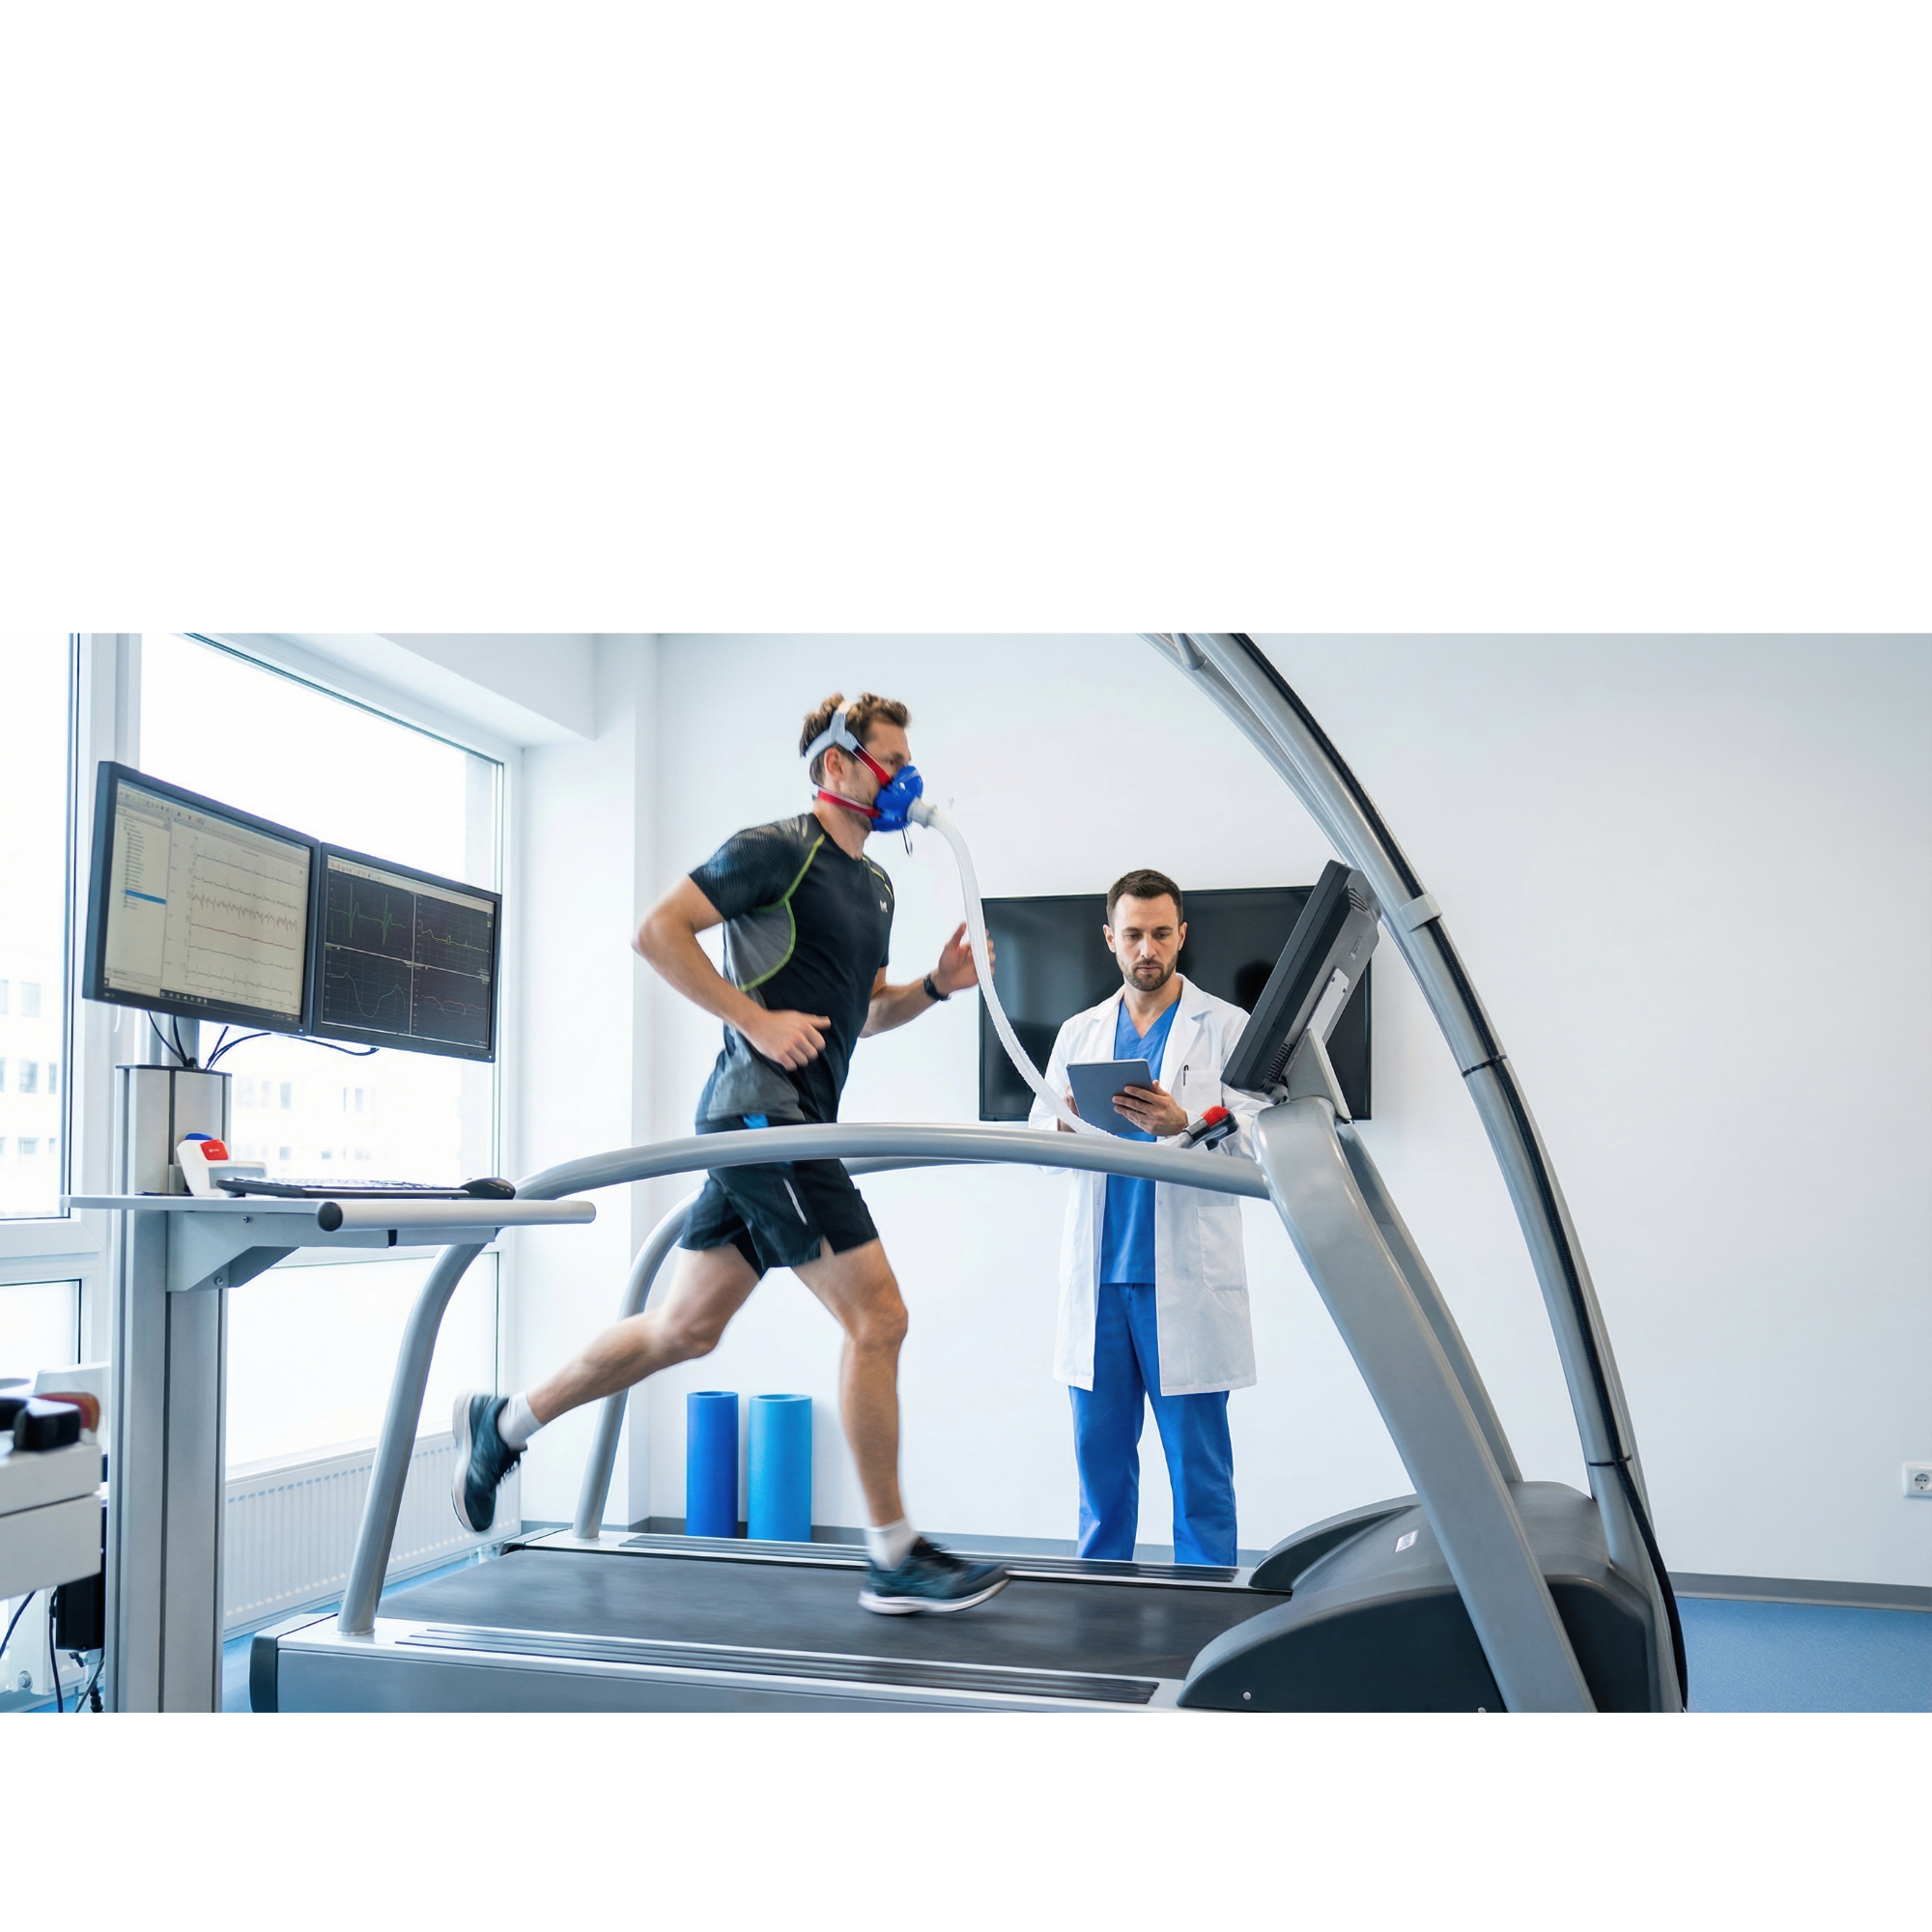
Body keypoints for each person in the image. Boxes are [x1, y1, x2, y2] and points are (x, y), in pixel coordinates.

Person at [451, 691, 1010, 1615]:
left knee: (685, 1329)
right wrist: (754, 1019)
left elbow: (868, 1013)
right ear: (838, 763)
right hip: (764, 1118)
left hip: (785, 1125)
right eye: (893, 760)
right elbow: (655, 932)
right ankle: (892, 1556)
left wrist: (938, 987)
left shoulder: (876, 887)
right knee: (880, 1318)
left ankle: (503, 1422)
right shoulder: (774, 850)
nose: (907, 778)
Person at [1031, 868, 1262, 1566]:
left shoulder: (1228, 1028)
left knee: (1200, 1476)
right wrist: (1066, 1125)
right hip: (1100, 1281)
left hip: (1183, 1284)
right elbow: (1038, 1142)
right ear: (1110, 938)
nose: (1147, 949)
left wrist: (1183, 1122)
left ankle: (1208, 1613)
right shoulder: (1079, 1033)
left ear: (1182, 935)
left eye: (1161, 933)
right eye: (1133, 934)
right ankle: (1102, 1609)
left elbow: (1262, 1143)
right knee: (1100, 1471)